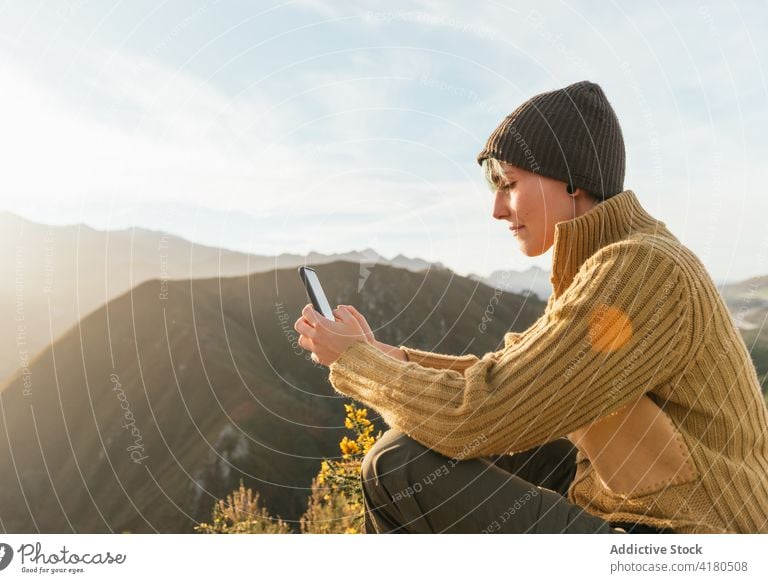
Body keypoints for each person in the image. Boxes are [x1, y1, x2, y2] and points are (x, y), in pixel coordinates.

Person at [294, 80, 768, 534]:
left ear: (570, 181)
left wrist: (357, 361)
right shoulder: (616, 257)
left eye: (509, 183)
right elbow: (514, 378)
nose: (496, 209)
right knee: (458, 443)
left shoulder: (638, 268)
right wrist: (392, 359)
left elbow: (479, 415)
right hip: (656, 504)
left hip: (688, 540)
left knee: (399, 467)